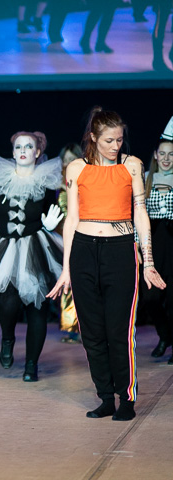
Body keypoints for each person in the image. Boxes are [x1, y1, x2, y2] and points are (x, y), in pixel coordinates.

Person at [48, 107, 166, 421]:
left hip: (120, 252)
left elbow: (140, 213)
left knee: (119, 332)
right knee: (92, 333)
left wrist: (148, 261)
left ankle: (126, 399)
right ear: (93, 138)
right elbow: (71, 219)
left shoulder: (132, 165)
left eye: (119, 140)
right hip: (84, 252)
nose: (116, 146)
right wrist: (66, 269)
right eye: (109, 141)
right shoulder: (76, 168)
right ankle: (105, 397)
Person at [0, 131, 64, 382]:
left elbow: (51, 209)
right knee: (7, 301)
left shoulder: (45, 180)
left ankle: (31, 365)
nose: (23, 151)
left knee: (37, 307)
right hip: (5, 247)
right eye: (18, 147)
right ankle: (7, 338)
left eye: (28, 146)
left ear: (37, 152)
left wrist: (51, 224)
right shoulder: (1, 177)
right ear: (13, 152)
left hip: (36, 246)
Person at [141, 135, 173, 362]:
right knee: (150, 298)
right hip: (153, 245)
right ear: (155, 155)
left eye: (171, 154)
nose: (166, 158)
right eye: (162, 153)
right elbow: (137, 214)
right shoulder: (145, 179)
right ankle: (165, 335)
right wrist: (137, 244)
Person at [57, 143, 84, 344]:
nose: (67, 164)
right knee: (66, 281)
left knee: (81, 282)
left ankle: (85, 326)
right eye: (64, 160)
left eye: (71, 159)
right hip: (60, 237)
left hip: (80, 234)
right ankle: (71, 327)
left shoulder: (83, 181)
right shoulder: (55, 184)